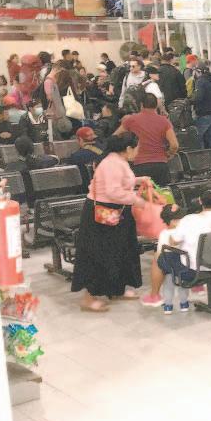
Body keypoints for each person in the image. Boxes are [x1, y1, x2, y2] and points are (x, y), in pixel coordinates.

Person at [70, 133, 148, 312]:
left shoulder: (118, 160)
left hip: (115, 211)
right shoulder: (112, 163)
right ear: (128, 149)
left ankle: (116, 289)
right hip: (102, 213)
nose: (138, 152)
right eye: (137, 148)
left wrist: (139, 180)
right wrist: (138, 201)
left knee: (119, 251)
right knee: (99, 254)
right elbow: (114, 192)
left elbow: (120, 183)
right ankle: (88, 298)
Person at [114, 93, 179, 185]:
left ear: (141, 104)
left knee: (143, 193)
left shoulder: (132, 120)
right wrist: (169, 154)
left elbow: (115, 136)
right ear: (156, 105)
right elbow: (174, 145)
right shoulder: (164, 121)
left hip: (140, 165)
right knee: (162, 193)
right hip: (160, 164)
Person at [154, 205, 190, 315]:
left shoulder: (163, 233)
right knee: (183, 284)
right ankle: (184, 304)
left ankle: (168, 306)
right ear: (173, 221)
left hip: (169, 264)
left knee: (168, 284)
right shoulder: (183, 232)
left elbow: (159, 252)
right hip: (183, 263)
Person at [191, 63, 211, 149]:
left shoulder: (200, 81)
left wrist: (189, 101)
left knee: (198, 137)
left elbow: (198, 97)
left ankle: (201, 155)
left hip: (203, 113)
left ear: (199, 72)